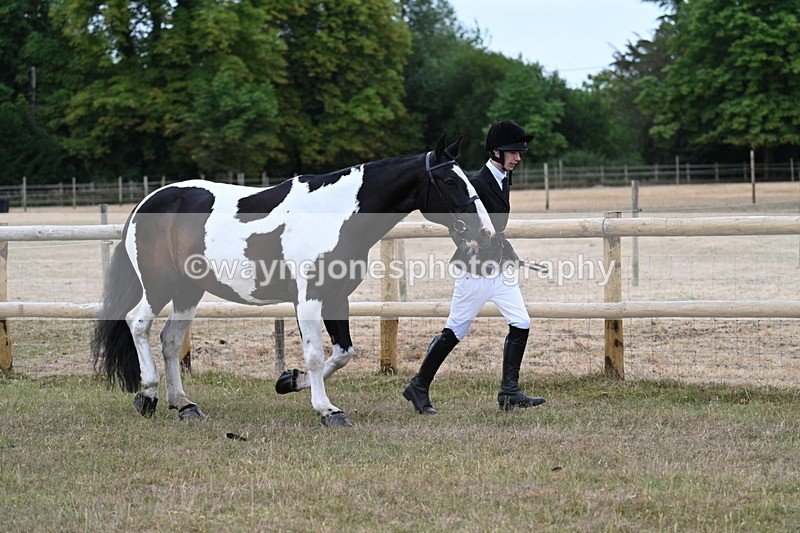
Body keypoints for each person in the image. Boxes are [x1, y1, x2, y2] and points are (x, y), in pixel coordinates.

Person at [403, 120, 546, 414]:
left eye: (520, 152)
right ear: (495, 151)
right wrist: (468, 240)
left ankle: (509, 392)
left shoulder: (504, 177)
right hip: (475, 270)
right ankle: (418, 386)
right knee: (455, 330)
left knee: (521, 322)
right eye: (513, 152)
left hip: (500, 268)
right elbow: (457, 219)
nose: (518, 157)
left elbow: (497, 226)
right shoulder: (476, 182)